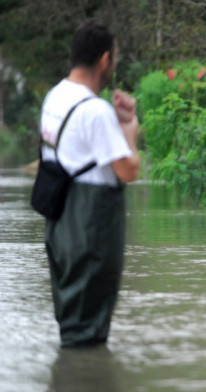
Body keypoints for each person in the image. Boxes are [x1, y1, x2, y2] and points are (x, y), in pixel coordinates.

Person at [40, 20, 140, 348]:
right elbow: (128, 169)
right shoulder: (95, 111)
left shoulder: (54, 97)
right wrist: (129, 129)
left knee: (73, 321)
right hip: (90, 228)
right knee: (88, 332)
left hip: (60, 225)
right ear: (104, 60)